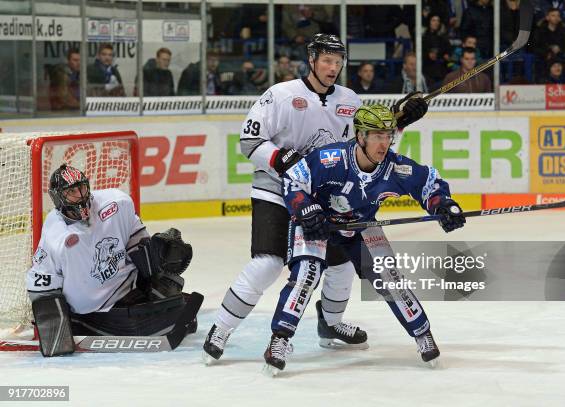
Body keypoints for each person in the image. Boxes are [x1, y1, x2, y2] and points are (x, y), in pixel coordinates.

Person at [202, 33, 428, 364]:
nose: (333, 68)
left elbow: (366, 150)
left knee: (340, 264)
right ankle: (221, 327)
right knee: (268, 262)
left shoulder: (350, 100)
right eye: (326, 61)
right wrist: (283, 159)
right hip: (277, 190)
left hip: (326, 198)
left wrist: (399, 123)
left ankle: (331, 324)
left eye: (338, 62)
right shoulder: (280, 95)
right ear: (311, 61)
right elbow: (250, 140)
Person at [262, 104, 464, 374]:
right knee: (306, 275)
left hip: (360, 226)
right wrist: (304, 209)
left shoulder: (395, 167)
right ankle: (280, 339)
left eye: (388, 135)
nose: (384, 143)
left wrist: (443, 205)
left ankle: (421, 333)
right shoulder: (329, 159)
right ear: (360, 136)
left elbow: (429, 183)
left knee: (390, 278)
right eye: (377, 135)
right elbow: (294, 180)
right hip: (318, 225)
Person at [27, 164, 197, 356]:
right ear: (58, 197)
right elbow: (40, 284)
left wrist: (155, 260)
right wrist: (53, 325)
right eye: (71, 191)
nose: (80, 194)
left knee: (168, 283)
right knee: (151, 322)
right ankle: (80, 323)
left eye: (82, 187)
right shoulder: (55, 233)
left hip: (128, 287)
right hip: (93, 310)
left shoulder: (116, 202)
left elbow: (136, 236)